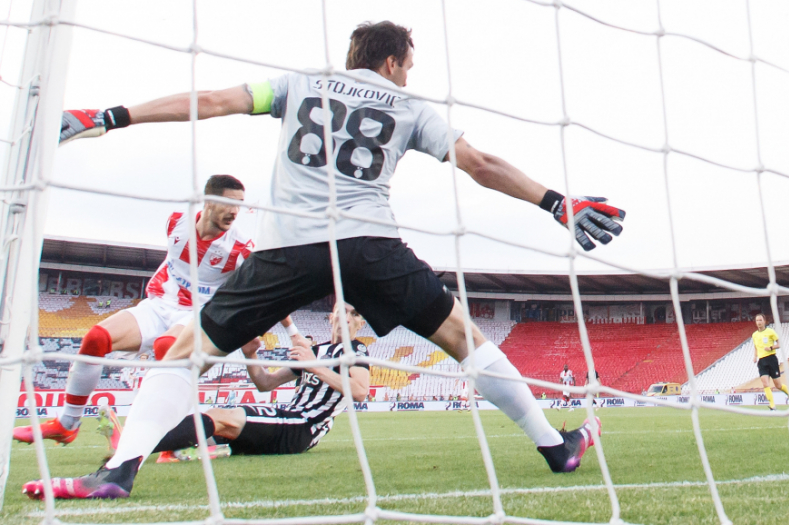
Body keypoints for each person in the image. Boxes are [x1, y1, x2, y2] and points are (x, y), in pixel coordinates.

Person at [25, 20, 620, 500]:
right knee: (463, 337)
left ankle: (119, 472)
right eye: (408, 65)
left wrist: (112, 117)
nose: (408, 74)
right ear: (392, 63)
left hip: (290, 248)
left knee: (188, 354)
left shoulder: (296, 84)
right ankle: (554, 446)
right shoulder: (410, 107)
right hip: (370, 245)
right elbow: (480, 164)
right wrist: (555, 203)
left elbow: (210, 100)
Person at [13, 175, 271, 445]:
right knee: (95, 339)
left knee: (167, 348)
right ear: (207, 201)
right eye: (228, 203)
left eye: (239, 204)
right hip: (160, 304)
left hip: (197, 314)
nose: (234, 211)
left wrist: (289, 329)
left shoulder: (241, 248)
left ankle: (173, 438)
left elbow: (262, 287)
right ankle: (67, 424)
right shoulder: (176, 222)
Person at [154, 303, 368, 460]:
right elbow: (265, 383)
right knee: (215, 427)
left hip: (304, 426)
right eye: (342, 310)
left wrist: (314, 367)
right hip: (288, 417)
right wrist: (250, 355)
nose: (347, 317)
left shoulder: (356, 350)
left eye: (355, 313)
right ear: (331, 317)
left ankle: (138, 447)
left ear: (361, 323)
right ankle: (181, 448)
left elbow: (359, 392)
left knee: (221, 418)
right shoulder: (314, 351)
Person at [752, 313, 789, 410]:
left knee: (778, 385)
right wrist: (755, 357)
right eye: (757, 320)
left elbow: (779, 344)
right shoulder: (754, 335)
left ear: (764, 321)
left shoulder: (770, 332)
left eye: (760, 320)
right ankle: (772, 405)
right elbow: (755, 347)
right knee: (765, 384)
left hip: (771, 359)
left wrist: (771, 347)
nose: (759, 322)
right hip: (762, 361)